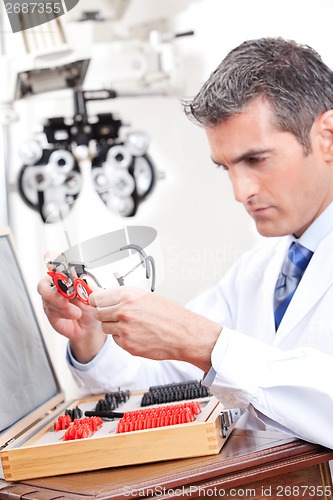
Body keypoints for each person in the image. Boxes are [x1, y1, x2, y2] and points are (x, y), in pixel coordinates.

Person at [38, 37, 333, 449]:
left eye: (256, 159)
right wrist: (91, 338)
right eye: (226, 167)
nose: (240, 190)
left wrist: (208, 344)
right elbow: (157, 384)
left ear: (327, 137)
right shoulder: (260, 272)